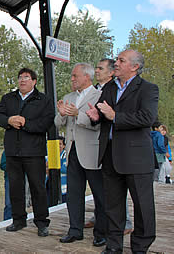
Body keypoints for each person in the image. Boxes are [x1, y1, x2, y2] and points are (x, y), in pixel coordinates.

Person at [86, 49, 158, 254]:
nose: (116, 63)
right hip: (110, 157)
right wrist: (95, 117)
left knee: (143, 207)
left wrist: (115, 116)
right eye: (117, 59)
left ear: (134, 66)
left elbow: (147, 118)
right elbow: (103, 117)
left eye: (121, 60)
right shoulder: (109, 88)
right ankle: (113, 246)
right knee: (113, 208)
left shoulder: (148, 89)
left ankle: (140, 248)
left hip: (136, 159)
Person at [0, 68, 54, 237]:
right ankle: (18, 220)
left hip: (34, 152)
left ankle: (42, 222)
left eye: (26, 78)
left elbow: (46, 122)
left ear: (34, 81)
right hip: (13, 152)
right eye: (20, 77)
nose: (22, 80)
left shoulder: (43, 100)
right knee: (15, 188)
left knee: (38, 188)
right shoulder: (8, 98)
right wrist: (8, 120)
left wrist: (25, 123)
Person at [55, 63, 106, 247]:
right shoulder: (68, 97)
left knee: (100, 195)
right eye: (72, 76)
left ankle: (101, 233)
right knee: (74, 194)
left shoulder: (100, 95)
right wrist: (61, 114)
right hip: (72, 152)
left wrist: (79, 114)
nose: (72, 79)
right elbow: (58, 122)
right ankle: (75, 230)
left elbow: (100, 123)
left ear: (87, 77)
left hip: (93, 152)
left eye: (75, 76)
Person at [86, 58, 133, 235]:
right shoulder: (98, 90)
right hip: (99, 144)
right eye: (96, 68)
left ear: (111, 72)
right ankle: (100, 216)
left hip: (120, 144)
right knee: (103, 186)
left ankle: (126, 221)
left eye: (100, 68)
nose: (96, 71)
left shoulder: (117, 89)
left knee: (119, 187)